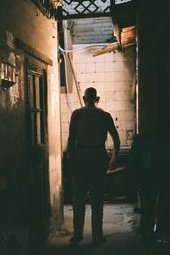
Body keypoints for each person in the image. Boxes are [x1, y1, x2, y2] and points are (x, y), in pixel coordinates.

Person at [67, 87, 120, 245]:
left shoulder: (77, 114)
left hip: (81, 156)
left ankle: (77, 234)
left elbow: (71, 140)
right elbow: (116, 140)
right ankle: (97, 235)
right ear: (97, 99)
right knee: (97, 199)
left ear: (84, 99)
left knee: (79, 199)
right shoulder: (104, 115)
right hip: (98, 156)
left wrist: (72, 160)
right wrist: (114, 159)